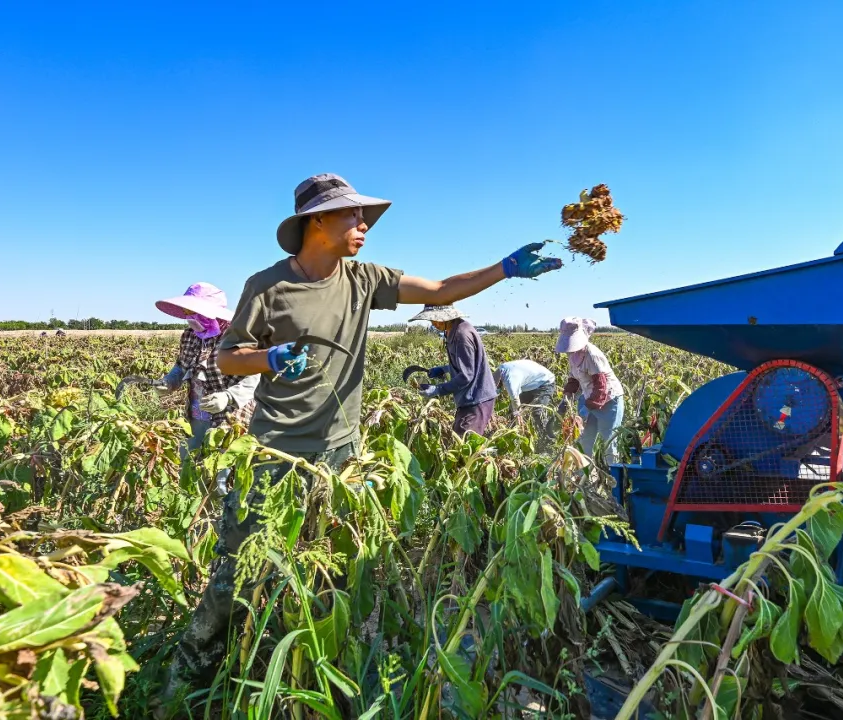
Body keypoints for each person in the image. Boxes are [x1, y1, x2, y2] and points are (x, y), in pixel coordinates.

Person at [153, 173, 562, 716]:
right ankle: (182, 691)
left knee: (337, 574)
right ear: (316, 221)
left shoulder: (365, 279)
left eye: (364, 215)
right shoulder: (268, 286)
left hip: (340, 457)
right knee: (237, 577)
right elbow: (230, 355)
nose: (363, 223)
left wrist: (505, 268)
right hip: (275, 454)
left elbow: (441, 290)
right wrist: (269, 358)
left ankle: (324, 685)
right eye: (351, 214)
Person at [154, 283, 259, 457]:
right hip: (197, 409)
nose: (189, 316)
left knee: (222, 461)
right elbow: (182, 365)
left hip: (230, 413)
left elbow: (253, 376)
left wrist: (228, 397)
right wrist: (170, 381)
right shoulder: (190, 335)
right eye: (187, 311)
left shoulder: (237, 336)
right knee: (188, 456)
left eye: (193, 311)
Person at [410, 304, 498, 437]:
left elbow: (466, 376)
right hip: (469, 398)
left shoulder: (462, 334)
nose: (434, 324)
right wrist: (444, 369)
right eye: (431, 320)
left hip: (476, 398)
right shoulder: (453, 329)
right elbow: (466, 363)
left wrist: (438, 389)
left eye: (436, 319)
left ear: (447, 317)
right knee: (458, 437)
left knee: (465, 443)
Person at [555, 317, 625, 463]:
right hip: (590, 399)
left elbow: (601, 387)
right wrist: (566, 397)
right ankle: (584, 472)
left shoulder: (592, 355)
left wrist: (583, 413)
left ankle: (612, 474)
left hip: (609, 400)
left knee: (608, 442)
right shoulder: (573, 354)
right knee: (585, 439)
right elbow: (574, 379)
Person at [494, 358, 557, 445]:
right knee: (512, 411)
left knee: (537, 412)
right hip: (531, 383)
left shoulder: (510, 380)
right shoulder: (499, 371)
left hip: (545, 382)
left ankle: (548, 439)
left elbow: (515, 400)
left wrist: (518, 414)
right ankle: (512, 437)